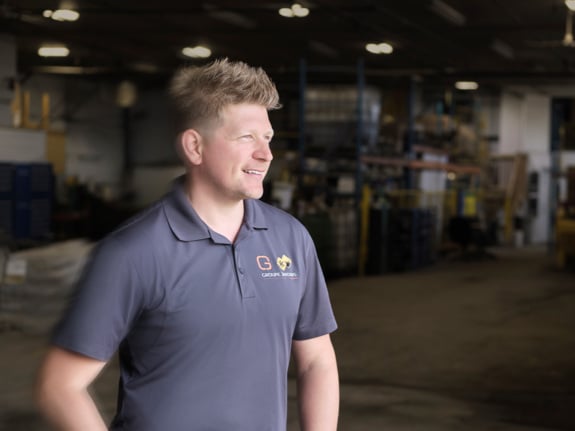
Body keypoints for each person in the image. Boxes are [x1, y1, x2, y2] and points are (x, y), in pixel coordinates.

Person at [36, 58, 339, 431]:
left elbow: (317, 360)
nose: (266, 154)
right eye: (247, 138)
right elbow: (60, 386)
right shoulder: (133, 252)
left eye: (268, 138)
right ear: (195, 146)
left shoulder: (291, 239)